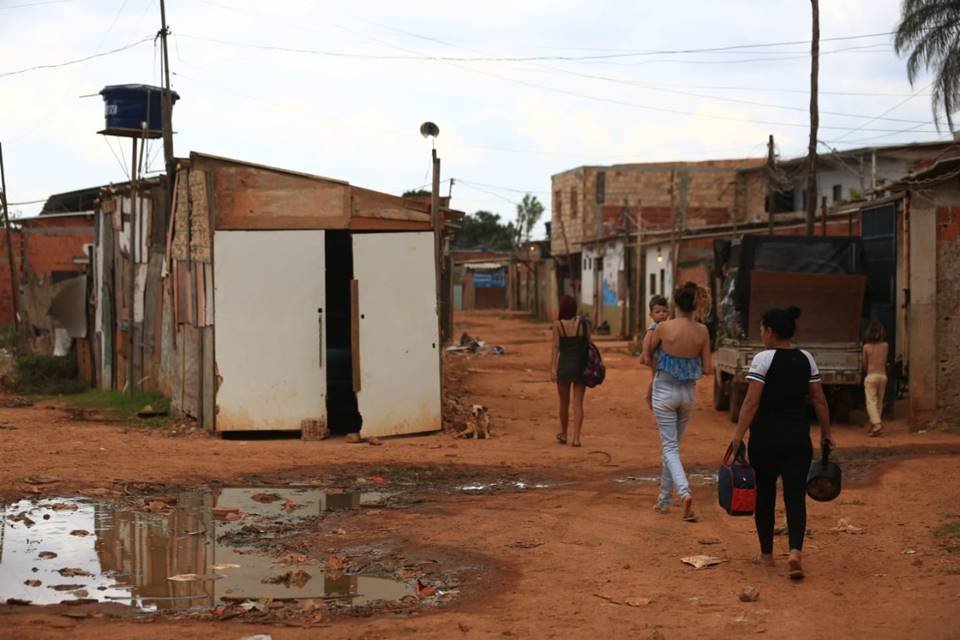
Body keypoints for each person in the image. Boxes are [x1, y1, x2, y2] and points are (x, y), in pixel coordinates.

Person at [726, 306, 834, 580]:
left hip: (765, 438)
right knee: (795, 497)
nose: (762, 334)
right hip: (798, 438)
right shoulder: (806, 358)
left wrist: (738, 436)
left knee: (765, 496)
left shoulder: (763, 359)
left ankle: (767, 555)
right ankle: (795, 551)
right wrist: (825, 433)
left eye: (762, 329)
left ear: (771, 332)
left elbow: (751, 402)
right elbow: (819, 400)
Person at [642, 282, 713, 521]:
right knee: (672, 447)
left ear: (675, 304)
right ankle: (663, 501)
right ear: (695, 304)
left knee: (669, 447)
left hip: (664, 389)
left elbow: (647, 355)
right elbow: (707, 368)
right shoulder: (703, 332)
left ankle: (684, 493)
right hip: (688, 394)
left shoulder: (663, 328)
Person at [550, 294, 589, 447]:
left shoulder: (558, 325)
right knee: (578, 404)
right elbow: (589, 344)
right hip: (580, 365)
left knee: (563, 403)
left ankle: (564, 434)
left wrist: (553, 368)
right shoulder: (584, 324)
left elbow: (555, 348)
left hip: (564, 366)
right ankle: (577, 438)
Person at [642, 295, 670, 408]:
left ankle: (661, 398)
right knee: (656, 378)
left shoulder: (667, 325)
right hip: (655, 357)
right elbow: (646, 341)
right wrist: (646, 355)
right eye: (657, 312)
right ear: (651, 315)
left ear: (668, 312)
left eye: (664, 311)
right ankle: (650, 397)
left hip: (664, 357)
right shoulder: (653, 326)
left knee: (662, 378)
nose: (661, 314)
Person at [862, 321, 889, 437]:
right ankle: (874, 426)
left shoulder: (866, 347)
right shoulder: (885, 346)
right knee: (879, 402)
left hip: (871, 376)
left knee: (871, 402)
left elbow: (864, 364)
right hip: (883, 376)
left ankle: (877, 424)